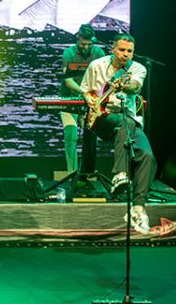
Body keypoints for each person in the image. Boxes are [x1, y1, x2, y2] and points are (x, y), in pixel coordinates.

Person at [80, 33, 157, 234]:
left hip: (126, 119)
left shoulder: (138, 68)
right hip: (101, 119)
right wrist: (90, 100)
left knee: (147, 156)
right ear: (113, 49)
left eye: (129, 51)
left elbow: (135, 87)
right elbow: (86, 90)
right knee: (125, 122)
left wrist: (123, 85)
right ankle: (120, 173)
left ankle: (138, 207)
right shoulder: (97, 65)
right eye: (122, 50)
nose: (125, 54)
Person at [59, 24, 105, 172]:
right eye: (83, 44)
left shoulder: (99, 53)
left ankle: (87, 173)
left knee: (90, 138)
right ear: (78, 39)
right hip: (69, 99)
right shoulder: (69, 53)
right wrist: (84, 92)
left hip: (91, 100)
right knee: (71, 135)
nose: (86, 48)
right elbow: (68, 81)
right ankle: (72, 173)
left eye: (89, 44)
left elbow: (103, 78)